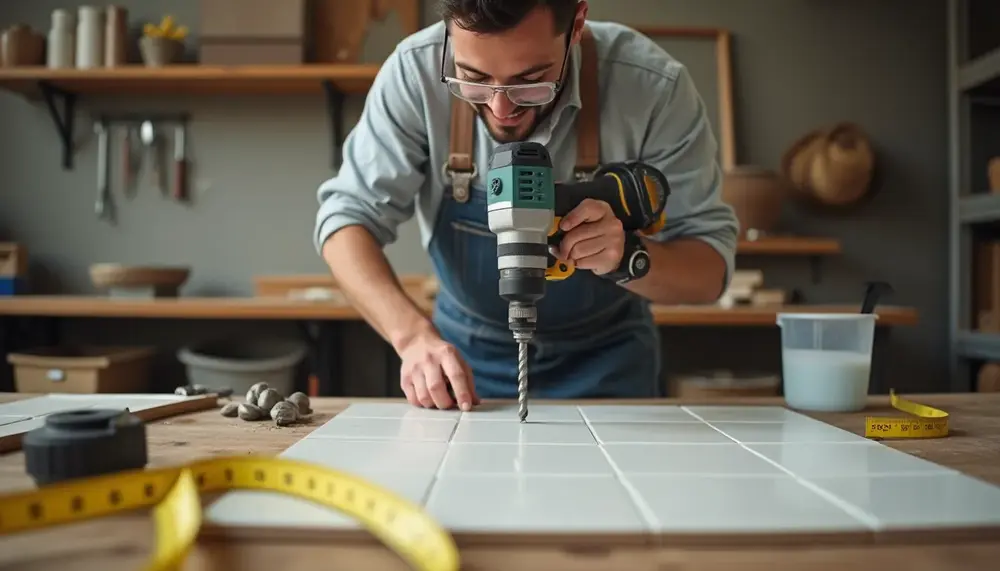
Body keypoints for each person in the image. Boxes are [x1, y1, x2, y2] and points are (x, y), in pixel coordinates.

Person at [313, 0, 738, 412]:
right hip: (464, 362)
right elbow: (346, 221)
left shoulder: (652, 87)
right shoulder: (417, 73)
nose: (502, 110)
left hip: (610, 365)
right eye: (473, 79)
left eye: (530, 81)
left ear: (576, 25)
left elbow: (710, 270)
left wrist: (626, 257)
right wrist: (411, 337)